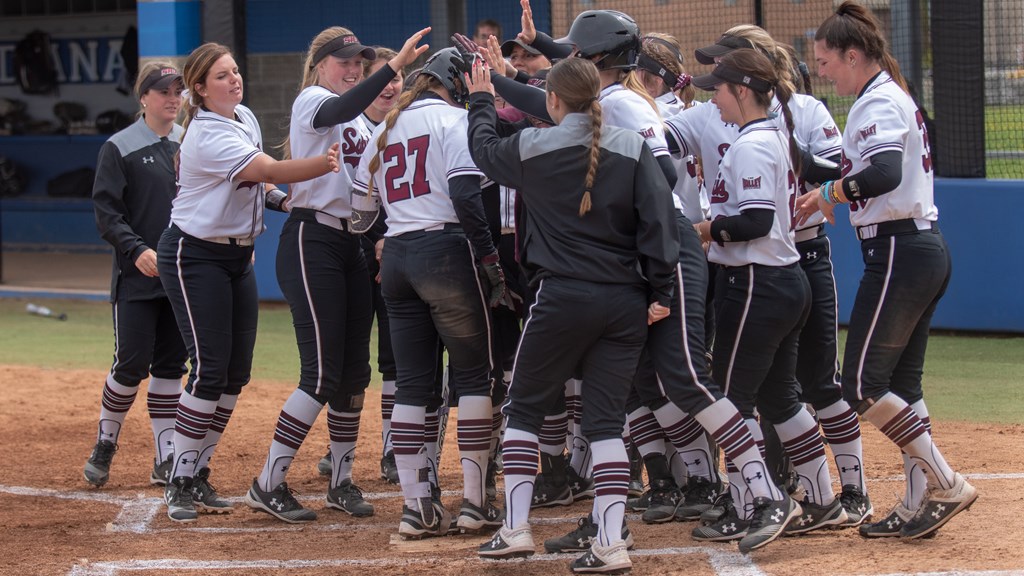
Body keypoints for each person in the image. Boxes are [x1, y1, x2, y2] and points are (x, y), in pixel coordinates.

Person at [466, 56, 677, 574]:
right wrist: (661, 290)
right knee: (607, 424)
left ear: (553, 101)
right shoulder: (630, 146)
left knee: (523, 411)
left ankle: (515, 530)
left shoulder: (533, 147)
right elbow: (659, 222)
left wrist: (480, 98)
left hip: (561, 298)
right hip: (626, 302)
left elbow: (482, 152)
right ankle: (610, 543)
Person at [797, 0, 978, 540]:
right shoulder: (883, 97)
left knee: (860, 384)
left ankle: (945, 481)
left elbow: (882, 172)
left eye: (827, 60)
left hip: (901, 249)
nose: (822, 71)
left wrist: (829, 191)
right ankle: (918, 502)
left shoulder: (877, 101)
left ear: (854, 55)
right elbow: (865, 170)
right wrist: (809, 168)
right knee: (902, 383)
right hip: (915, 247)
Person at [245, 27, 429, 524]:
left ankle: (341, 481)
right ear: (320, 63)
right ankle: (268, 481)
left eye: (357, 62)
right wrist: (393, 69)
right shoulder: (314, 99)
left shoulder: (367, 129)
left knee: (353, 375)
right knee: (322, 373)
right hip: (313, 241)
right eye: (344, 62)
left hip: (351, 244)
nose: (351, 69)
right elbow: (337, 112)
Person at [157, 42, 340, 523]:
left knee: (235, 374)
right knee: (209, 369)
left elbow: (262, 184)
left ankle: (198, 469)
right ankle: (177, 477)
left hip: (236, 257)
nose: (234, 80)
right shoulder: (206, 132)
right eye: (221, 75)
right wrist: (324, 164)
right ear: (199, 88)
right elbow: (269, 169)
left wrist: (285, 202)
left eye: (235, 71)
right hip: (194, 254)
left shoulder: (244, 118)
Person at [350, 46, 504, 539]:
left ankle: (417, 507)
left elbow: (361, 213)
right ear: (457, 83)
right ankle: (476, 502)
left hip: (396, 256)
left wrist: (391, 240)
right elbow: (464, 194)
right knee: (476, 377)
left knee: (414, 384)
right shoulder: (455, 121)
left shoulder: (384, 127)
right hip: (446, 251)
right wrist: (489, 259)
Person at [690, 47, 819, 548]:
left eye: (718, 89)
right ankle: (822, 494)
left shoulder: (749, 145)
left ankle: (757, 504)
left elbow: (755, 222)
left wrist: (705, 229)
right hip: (786, 280)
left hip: (756, 283)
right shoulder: (776, 136)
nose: (714, 100)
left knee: (729, 398)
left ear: (742, 90)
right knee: (780, 396)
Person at [85, 62, 187, 489]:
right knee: (131, 364)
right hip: (137, 275)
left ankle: (166, 455)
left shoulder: (190, 141)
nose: (172, 98)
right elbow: (107, 214)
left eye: (178, 90)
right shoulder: (119, 146)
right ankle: (106, 441)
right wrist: (136, 248)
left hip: (183, 273)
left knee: (170, 366)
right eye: (163, 90)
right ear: (143, 97)